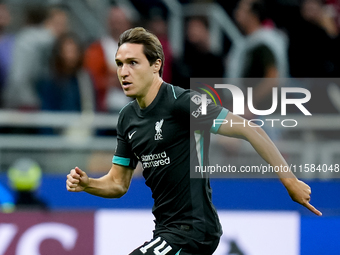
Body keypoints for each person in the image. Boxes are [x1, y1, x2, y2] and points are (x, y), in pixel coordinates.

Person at [66, 27, 321, 255]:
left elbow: (251, 130)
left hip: (194, 230)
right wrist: (89, 183)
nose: (124, 72)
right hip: (167, 231)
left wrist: (290, 182)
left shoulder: (184, 102)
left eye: (133, 63)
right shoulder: (127, 118)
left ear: (156, 65)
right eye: (119, 64)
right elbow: (118, 184)